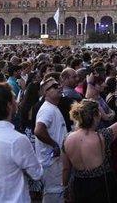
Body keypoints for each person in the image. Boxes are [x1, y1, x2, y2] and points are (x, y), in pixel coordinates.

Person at [0, 82, 42, 202]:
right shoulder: (17, 140)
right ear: (9, 105)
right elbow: (37, 173)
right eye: (14, 99)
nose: (17, 102)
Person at [62, 97, 117, 203]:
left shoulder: (66, 139)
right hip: (101, 185)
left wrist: (65, 187)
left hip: (78, 184)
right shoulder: (103, 137)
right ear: (95, 116)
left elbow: (66, 168)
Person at [35, 73, 68, 202]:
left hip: (55, 162)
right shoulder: (47, 109)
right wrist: (54, 144)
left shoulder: (53, 107)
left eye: (58, 84)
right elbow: (38, 130)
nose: (59, 87)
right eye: (54, 86)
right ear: (46, 93)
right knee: (54, 194)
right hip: (51, 163)